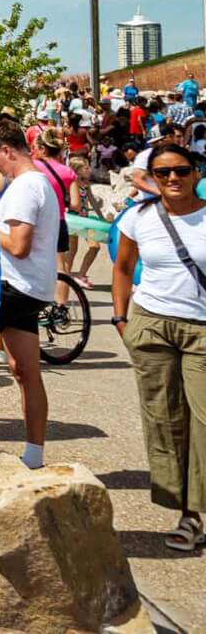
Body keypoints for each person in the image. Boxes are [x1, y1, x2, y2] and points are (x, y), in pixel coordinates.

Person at [113, 139, 206, 551]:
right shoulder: (138, 217)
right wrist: (121, 318)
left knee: (203, 421)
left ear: (196, 174)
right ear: (151, 178)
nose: (172, 178)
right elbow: (122, 268)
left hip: (201, 328)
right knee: (164, 421)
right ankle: (188, 514)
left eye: (181, 171)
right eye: (162, 172)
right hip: (152, 325)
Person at [0, 118, 61, 469]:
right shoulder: (39, 183)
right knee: (24, 370)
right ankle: (34, 453)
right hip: (33, 287)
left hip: (13, 286)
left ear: (7, 150)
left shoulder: (25, 187)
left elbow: (19, 244)